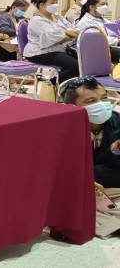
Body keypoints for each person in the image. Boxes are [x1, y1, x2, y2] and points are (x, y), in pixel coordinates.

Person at [60, 77, 120, 239]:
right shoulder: (61, 129)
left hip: (105, 176)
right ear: (72, 106)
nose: (102, 104)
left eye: (105, 97)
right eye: (91, 101)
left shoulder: (116, 122)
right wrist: (85, 178)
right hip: (77, 181)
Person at [24, 0, 79, 83]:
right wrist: (67, 34)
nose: (56, 5)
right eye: (53, 2)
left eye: (56, 2)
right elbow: (53, 39)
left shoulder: (57, 16)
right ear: (42, 5)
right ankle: (49, 85)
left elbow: (73, 29)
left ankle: (64, 87)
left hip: (58, 49)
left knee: (84, 64)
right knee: (76, 66)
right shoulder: (37, 20)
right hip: (39, 52)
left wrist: (66, 34)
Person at [77, 0, 120, 64]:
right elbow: (99, 39)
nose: (105, 6)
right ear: (92, 7)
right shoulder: (85, 22)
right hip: (98, 50)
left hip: (110, 47)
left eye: (106, 4)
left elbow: (115, 32)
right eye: (102, 4)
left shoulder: (103, 20)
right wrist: (117, 41)